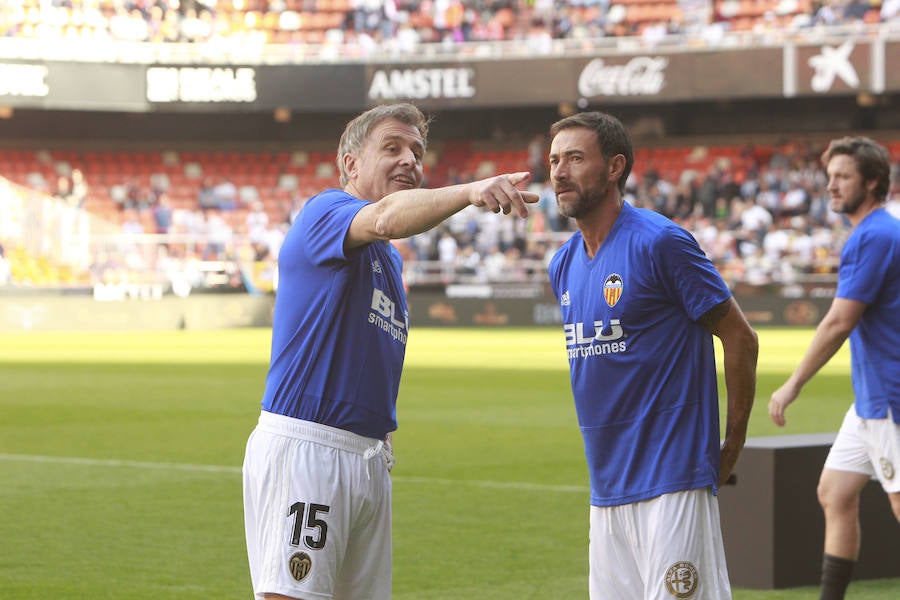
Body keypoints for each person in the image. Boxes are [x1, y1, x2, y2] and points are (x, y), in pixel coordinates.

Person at [241, 102, 538, 600]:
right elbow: (383, 219)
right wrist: (468, 192)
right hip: (310, 449)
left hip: (368, 458)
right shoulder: (325, 213)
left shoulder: (389, 262)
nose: (410, 161)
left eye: (417, 152)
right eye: (393, 147)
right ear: (350, 165)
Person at [544, 111, 759, 600]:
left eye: (575, 158)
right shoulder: (562, 263)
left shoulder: (661, 243)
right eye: (554, 160)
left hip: (674, 479)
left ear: (615, 167)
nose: (559, 172)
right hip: (606, 490)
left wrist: (732, 445)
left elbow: (740, 337)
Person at [768, 136, 900, 600]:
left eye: (843, 177)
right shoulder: (882, 231)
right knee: (834, 491)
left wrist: (791, 385)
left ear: (873, 182)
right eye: (829, 177)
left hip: (889, 399)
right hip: (870, 400)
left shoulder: (873, 236)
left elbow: (839, 322)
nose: (831, 186)